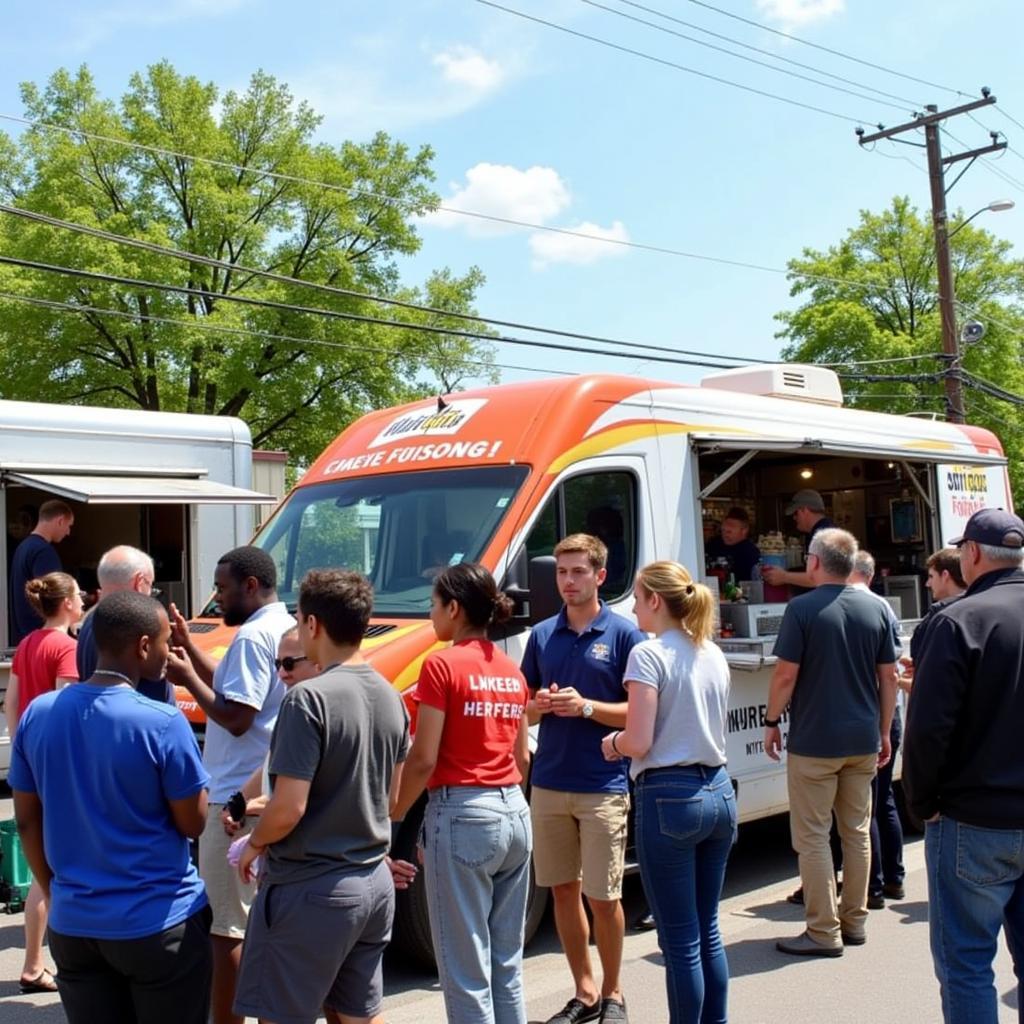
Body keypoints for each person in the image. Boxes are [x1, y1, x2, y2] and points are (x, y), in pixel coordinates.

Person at [9, 591, 211, 1024]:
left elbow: (26, 819)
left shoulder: (38, 714)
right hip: (159, 922)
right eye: (162, 644)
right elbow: (193, 823)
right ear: (142, 646)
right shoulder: (162, 721)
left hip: (75, 925)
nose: (167, 654)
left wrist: (56, 888)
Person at [232, 569, 409, 1024]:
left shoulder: (307, 699)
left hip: (312, 887)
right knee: (358, 1015)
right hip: (372, 883)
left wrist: (254, 844)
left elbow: (289, 807)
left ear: (312, 624)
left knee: (281, 1014)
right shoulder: (391, 695)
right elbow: (391, 799)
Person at [392, 562, 532, 1024]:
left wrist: (394, 811)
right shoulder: (511, 670)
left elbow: (424, 757)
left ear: (453, 609)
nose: (430, 615)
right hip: (514, 811)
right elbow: (522, 758)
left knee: (465, 969)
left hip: (464, 814)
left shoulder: (440, 664)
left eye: (433, 605)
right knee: (505, 964)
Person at [903, 508, 1024, 1024]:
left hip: (973, 818)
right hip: (991, 811)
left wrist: (921, 803)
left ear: (971, 554)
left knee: (967, 964)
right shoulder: (957, 620)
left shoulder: (956, 621)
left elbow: (928, 731)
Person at [165, 545, 294, 1024]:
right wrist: (192, 649)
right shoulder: (282, 627)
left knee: (228, 930)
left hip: (235, 800)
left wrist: (182, 676)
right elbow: (237, 687)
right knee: (261, 925)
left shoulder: (253, 636)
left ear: (251, 585)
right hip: (267, 793)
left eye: (222, 588)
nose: (216, 598)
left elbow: (237, 716)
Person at [601, 561, 734, 1024]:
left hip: (669, 796)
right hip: (718, 789)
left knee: (680, 943)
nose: (634, 608)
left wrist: (612, 743)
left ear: (655, 601)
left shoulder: (649, 655)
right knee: (707, 931)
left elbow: (638, 740)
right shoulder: (711, 651)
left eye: (637, 598)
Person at [523, 533, 646, 1024]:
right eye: (560, 572)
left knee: (604, 895)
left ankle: (615, 991)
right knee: (561, 891)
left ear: (600, 576)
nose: (567, 581)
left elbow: (641, 715)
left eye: (577, 572)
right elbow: (524, 710)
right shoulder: (541, 636)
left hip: (604, 784)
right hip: (550, 781)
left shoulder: (625, 635)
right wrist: (537, 707)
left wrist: (587, 707)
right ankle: (585, 992)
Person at [764, 528, 898, 956]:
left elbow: (785, 676)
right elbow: (889, 677)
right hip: (863, 738)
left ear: (815, 563)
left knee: (813, 837)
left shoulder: (802, 609)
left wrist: (770, 720)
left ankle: (823, 931)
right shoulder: (875, 608)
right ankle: (854, 922)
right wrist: (883, 729)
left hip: (815, 741)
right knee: (857, 832)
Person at [5, 571, 83, 994]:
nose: (85, 600)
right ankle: (37, 963)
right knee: (48, 869)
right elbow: (65, 711)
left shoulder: (29, 644)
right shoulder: (67, 647)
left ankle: (36, 961)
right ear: (67, 603)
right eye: (79, 596)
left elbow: (13, 703)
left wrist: (23, 752)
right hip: (55, 768)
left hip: (30, 763)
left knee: (42, 863)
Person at [848, 551, 905, 909]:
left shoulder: (860, 608)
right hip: (888, 714)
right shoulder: (883, 608)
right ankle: (894, 879)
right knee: (882, 801)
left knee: (864, 807)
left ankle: (873, 886)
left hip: (872, 715)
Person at [76, 545, 175, 705]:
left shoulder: (89, 621)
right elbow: (155, 700)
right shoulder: (135, 626)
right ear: (139, 582)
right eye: (151, 586)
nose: (151, 594)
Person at [10, 499, 74, 642]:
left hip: (22, 637)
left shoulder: (23, 547)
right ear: (60, 521)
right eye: (69, 526)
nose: (68, 532)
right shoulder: (43, 552)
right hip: (42, 638)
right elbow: (54, 597)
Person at [760, 489, 835, 591]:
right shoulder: (821, 531)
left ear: (804, 510)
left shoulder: (824, 535)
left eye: (796, 513)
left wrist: (784, 576)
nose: (794, 518)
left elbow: (821, 577)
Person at [705, 507, 761, 582]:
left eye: (729, 532)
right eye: (723, 530)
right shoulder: (713, 545)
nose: (725, 534)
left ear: (744, 530)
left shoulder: (750, 553)